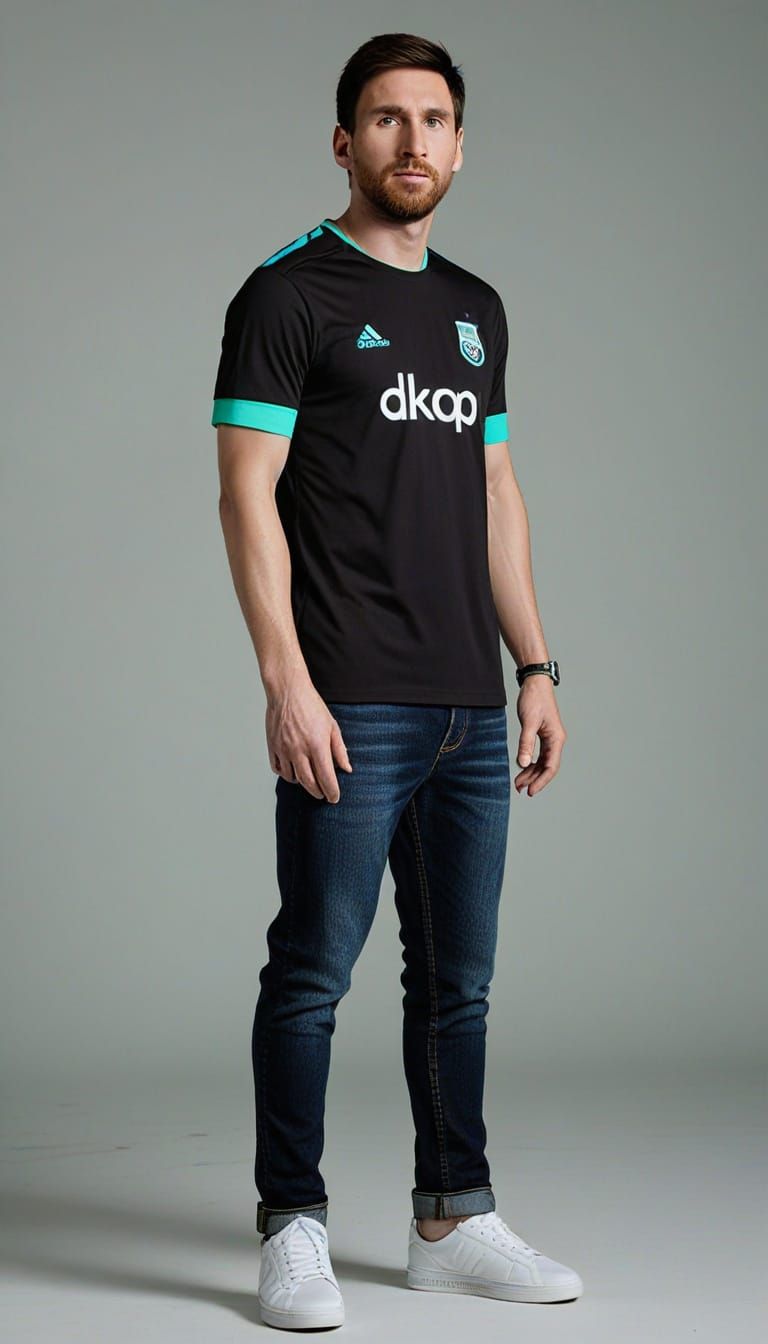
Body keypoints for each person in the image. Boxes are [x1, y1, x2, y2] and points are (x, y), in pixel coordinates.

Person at [211, 30, 582, 1332]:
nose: (412, 140)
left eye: (434, 120)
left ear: (461, 147)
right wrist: (286, 681)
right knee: (313, 972)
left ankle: (452, 1218)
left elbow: (496, 492)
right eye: (385, 118)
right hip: (350, 697)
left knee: (458, 981)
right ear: (344, 142)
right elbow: (246, 496)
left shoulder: (477, 308)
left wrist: (534, 666)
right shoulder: (287, 296)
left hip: (470, 705)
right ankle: (293, 1227)